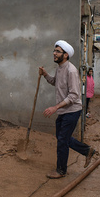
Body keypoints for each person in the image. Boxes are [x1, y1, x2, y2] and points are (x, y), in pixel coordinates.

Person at [39, 40, 95, 179]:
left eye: (58, 51)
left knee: (62, 140)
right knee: (61, 138)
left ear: (65, 55)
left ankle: (61, 170)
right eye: (54, 50)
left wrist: (55, 107)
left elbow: (74, 95)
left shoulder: (71, 71)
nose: (54, 53)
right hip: (64, 111)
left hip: (72, 111)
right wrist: (45, 74)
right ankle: (87, 150)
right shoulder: (59, 68)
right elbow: (55, 82)